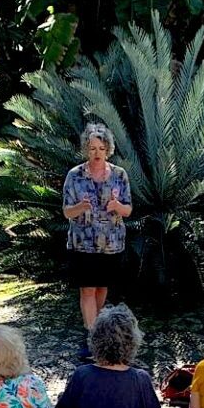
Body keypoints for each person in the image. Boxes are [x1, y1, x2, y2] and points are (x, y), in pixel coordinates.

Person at [62, 122, 133, 349]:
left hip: (111, 245)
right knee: (88, 289)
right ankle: (91, 339)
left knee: (102, 288)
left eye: (101, 149)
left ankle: (97, 331)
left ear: (108, 149)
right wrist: (81, 207)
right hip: (83, 245)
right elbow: (66, 212)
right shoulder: (74, 176)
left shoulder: (120, 175)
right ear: (86, 149)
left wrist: (117, 206)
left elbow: (128, 210)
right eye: (92, 148)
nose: (96, 153)